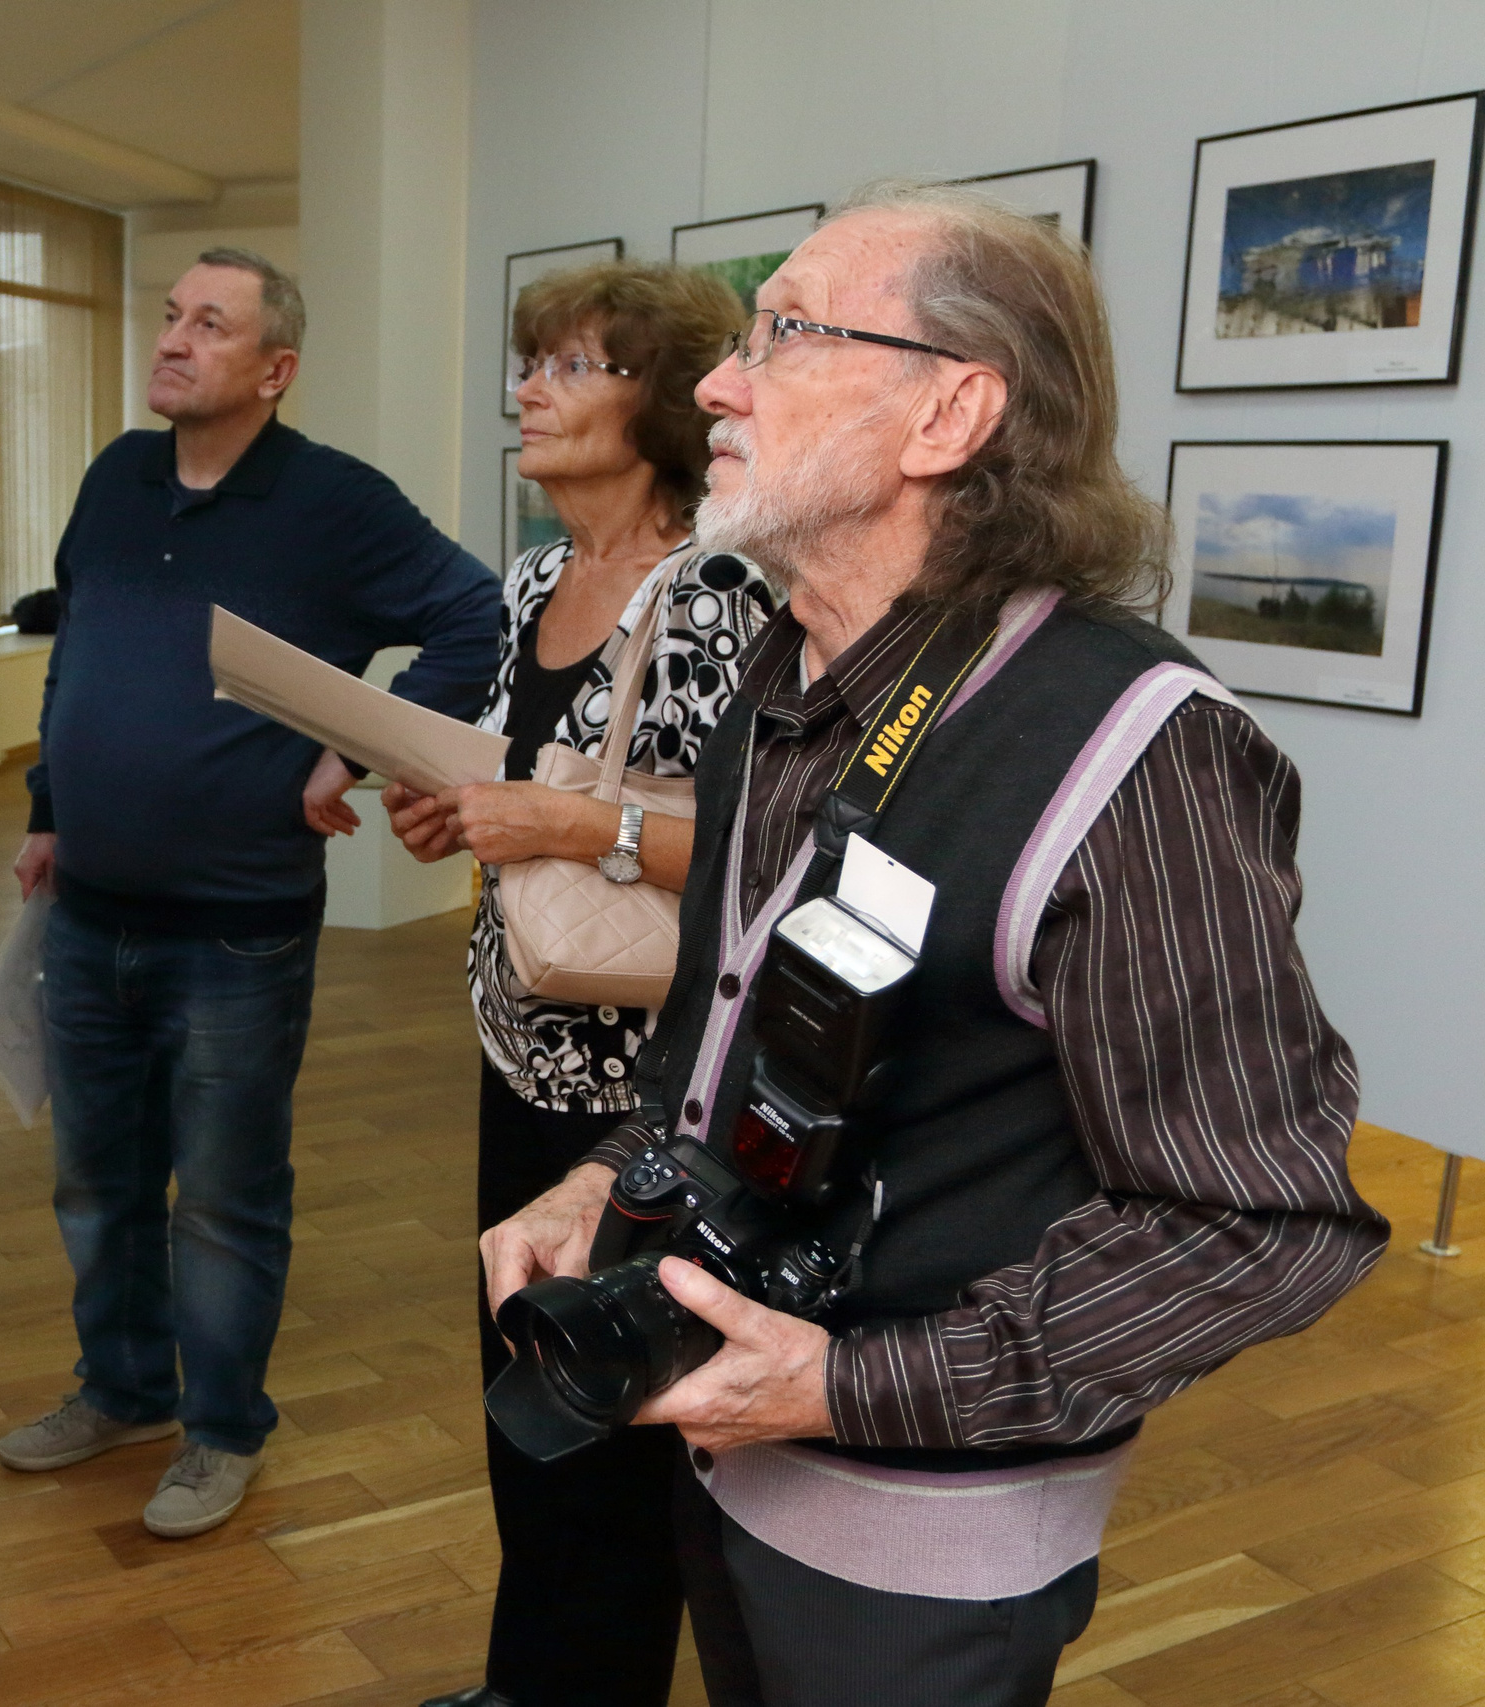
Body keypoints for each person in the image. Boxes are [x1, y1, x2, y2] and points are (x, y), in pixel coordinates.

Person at [482, 181, 1389, 1706]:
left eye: (783, 332)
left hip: (920, 1542)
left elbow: (1263, 1219)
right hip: (724, 1459)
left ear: (949, 414)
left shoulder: (1135, 748)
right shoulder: (789, 674)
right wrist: (602, 1178)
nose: (716, 379)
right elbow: (725, 1024)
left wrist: (845, 1386)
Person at [0, 247, 501, 1538]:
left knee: (222, 1197)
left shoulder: (335, 502)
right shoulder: (119, 475)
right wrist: (51, 811)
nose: (172, 339)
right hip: (91, 907)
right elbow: (78, 654)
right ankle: (120, 1390)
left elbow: (475, 615)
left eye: (208, 325)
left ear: (274, 369)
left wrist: (373, 742)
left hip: (235, 928)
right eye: (170, 316)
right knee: (97, 1184)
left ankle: (222, 1431)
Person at [381, 260, 768, 1707]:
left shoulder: (726, 591)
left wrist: (565, 824)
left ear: (660, 404)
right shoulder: (535, 576)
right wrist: (460, 815)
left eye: (576, 366)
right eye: (531, 360)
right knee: (524, 1398)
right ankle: (523, 1683)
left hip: (649, 1099)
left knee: (612, 1438)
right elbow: (520, 782)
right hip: (518, 1057)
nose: (529, 390)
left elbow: (761, 852)